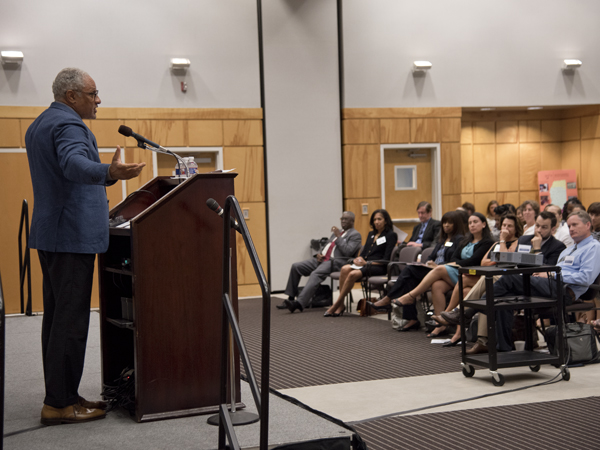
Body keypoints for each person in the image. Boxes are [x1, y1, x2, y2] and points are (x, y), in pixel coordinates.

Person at [26, 68, 146, 425]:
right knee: (72, 323)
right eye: (93, 94)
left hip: (53, 235)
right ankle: (60, 404)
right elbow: (74, 164)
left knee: (58, 320)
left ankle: (63, 395)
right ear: (71, 96)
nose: (98, 100)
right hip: (71, 237)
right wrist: (108, 173)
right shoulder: (70, 126)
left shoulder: (40, 123)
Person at [439, 211, 566, 351]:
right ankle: (480, 335)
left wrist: (537, 249)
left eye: (544, 227)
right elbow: (511, 262)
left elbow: (546, 272)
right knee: (489, 281)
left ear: (553, 229)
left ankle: (464, 313)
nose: (539, 230)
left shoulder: (558, 247)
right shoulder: (524, 240)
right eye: (537, 226)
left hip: (535, 285)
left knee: (491, 279)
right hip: (516, 280)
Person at [490, 210, 600, 352]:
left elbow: (585, 278)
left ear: (587, 225)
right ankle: (503, 348)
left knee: (510, 278)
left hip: (565, 290)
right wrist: (543, 273)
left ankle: (476, 307)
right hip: (549, 285)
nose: (571, 229)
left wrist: (551, 275)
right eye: (569, 226)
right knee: (504, 298)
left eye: (575, 225)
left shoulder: (594, 247)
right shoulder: (568, 250)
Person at [391, 212, 495, 336]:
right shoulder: (466, 240)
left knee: (439, 269)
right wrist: (456, 263)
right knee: (437, 285)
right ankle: (440, 324)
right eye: (470, 223)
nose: (472, 225)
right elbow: (455, 256)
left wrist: (455, 263)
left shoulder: (487, 242)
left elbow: (474, 261)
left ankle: (413, 297)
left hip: (472, 274)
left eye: (475, 222)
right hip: (458, 271)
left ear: (484, 224)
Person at [367, 211, 466, 331]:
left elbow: (455, 260)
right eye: (444, 222)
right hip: (433, 271)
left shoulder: (459, 239)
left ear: (456, 224)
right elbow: (431, 256)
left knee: (410, 270)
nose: (446, 225)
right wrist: (429, 262)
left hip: (445, 272)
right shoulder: (442, 240)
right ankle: (412, 319)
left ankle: (389, 298)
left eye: (450, 223)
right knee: (409, 279)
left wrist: (436, 265)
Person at [433, 213, 523, 345]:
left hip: (506, 281)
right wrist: (497, 257)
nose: (505, 228)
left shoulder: (518, 243)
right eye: (504, 225)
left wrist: (502, 242)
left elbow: (504, 261)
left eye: (509, 226)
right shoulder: (497, 244)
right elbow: (483, 263)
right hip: (492, 277)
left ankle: (454, 314)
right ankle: (462, 330)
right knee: (465, 286)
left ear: (516, 228)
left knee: (480, 283)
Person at [282, 212, 362, 313]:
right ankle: (291, 298)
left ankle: (299, 304)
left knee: (315, 274)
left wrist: (339, 237)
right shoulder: (336, 233)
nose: (343, 221)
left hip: (335, 262)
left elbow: (348, 251)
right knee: (296, 266)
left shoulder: (355, 235)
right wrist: (319, 254)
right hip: (323, 259)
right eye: (342, 218)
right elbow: (327, 247)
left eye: (346, 219)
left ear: (352, 221)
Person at [324, 209, 397, 317]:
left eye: (379, 219)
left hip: (378, 266)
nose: (376, 222)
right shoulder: (371, 234)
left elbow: (386, 259)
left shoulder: (391, 235)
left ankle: (336, 305)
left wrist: (366, 263)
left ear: (385, 221)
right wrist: (357, 259)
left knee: (353, 274)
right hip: (365, 264)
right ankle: (341, 304)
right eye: (375, 219)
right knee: (345, 268)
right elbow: (364, 253)